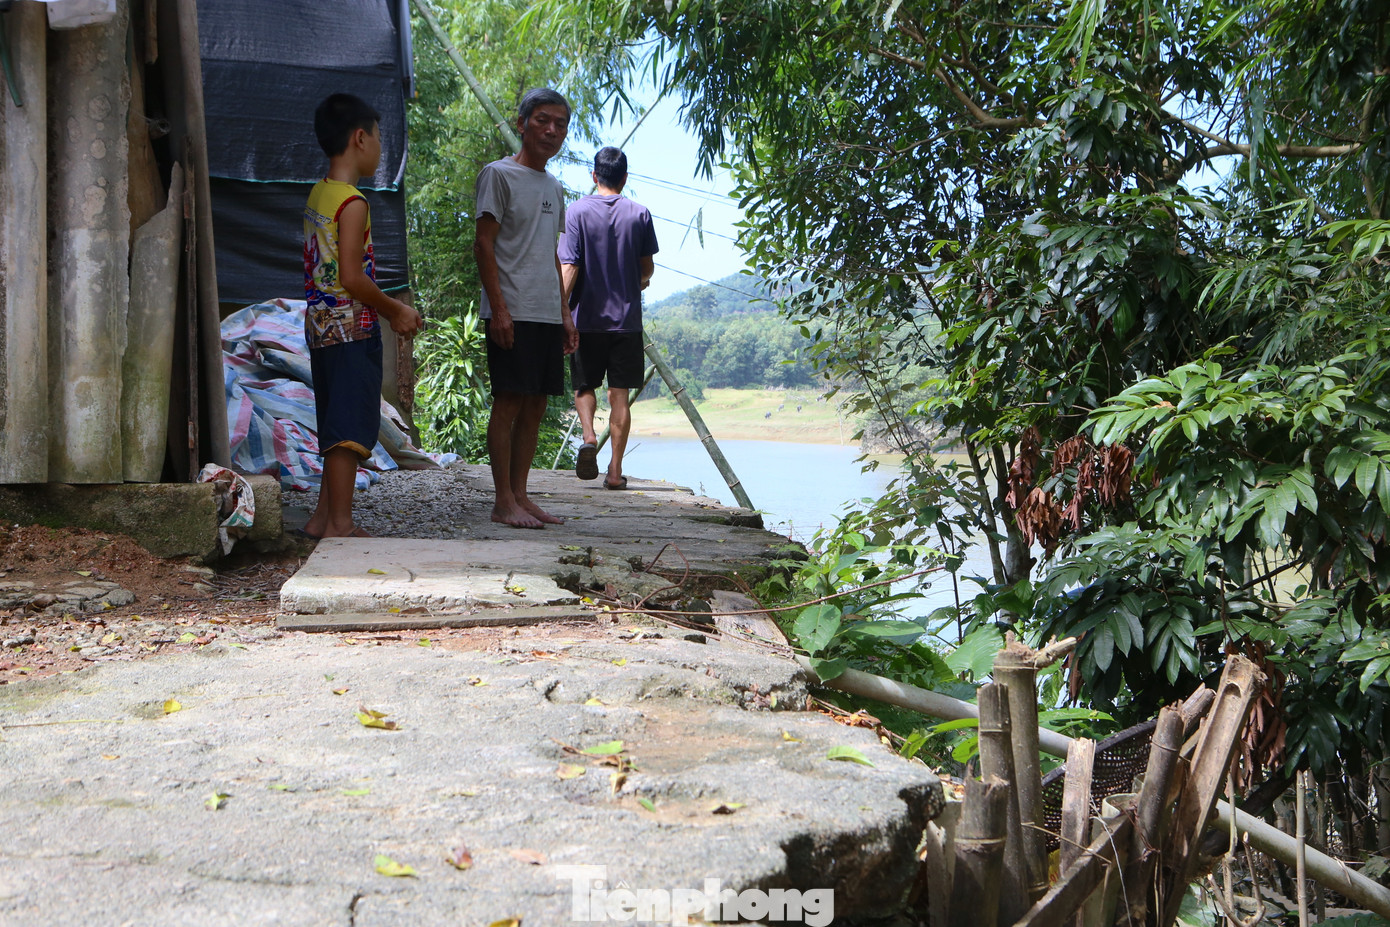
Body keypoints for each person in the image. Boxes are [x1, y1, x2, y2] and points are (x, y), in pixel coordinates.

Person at [302, 93, 423, 539]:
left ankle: (320, 518)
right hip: (352, 330)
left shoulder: (319, 193)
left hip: (320, 328)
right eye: (377, 137)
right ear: (359, 138)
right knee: (349, 428)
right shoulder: (352, 203)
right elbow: (352, 276)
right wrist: (395, 310)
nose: (379, 147)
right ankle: (340, 523)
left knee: (335, 424)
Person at [474, 88, 578, 528]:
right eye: (542, 120)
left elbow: (552, 254)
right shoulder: (498, 176)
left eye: (559, 124)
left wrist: (566, 314)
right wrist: (499, 310)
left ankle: (521, 493)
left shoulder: (554, 186)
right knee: (510, 400)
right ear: (522, 124)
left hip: (545, 312)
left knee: (536, 405)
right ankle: (502, 501)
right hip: (510, 309)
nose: (551, 131)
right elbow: (483, 243)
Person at [559, 146, 658, 490]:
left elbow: (569, 265)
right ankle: (615, 473)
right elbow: (647, 268)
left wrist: (561, 310)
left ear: (594, 176)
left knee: (584, 386)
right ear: (625, 178)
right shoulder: (640, 214)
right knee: (620, 395)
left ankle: (588, 436)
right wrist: (639, 281)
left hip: (585, 318)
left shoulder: (576, 212)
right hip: (626, 321)